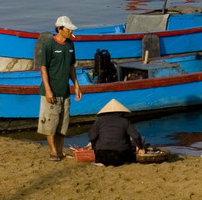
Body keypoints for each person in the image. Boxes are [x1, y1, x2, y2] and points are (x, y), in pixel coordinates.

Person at [34, 16, 80, 160]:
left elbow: (72, 67)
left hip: (65, 91)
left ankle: (60, 151)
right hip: (51, 90)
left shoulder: (70, 45)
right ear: (60, 29)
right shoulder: (49, 45)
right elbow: (43, 68)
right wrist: (48, 90)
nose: (70, 31)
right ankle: (53, 152)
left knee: (63, 124)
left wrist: (76, 86)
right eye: (68, 29)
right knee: (50, 124)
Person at [84, 99, 146, 166]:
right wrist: (140, 147)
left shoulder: (99, 121)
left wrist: (94, 147)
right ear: (121, 112)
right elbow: (136, 136)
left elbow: (92, 136)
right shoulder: (124, 121)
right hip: (121, 155)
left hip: (102, 156)